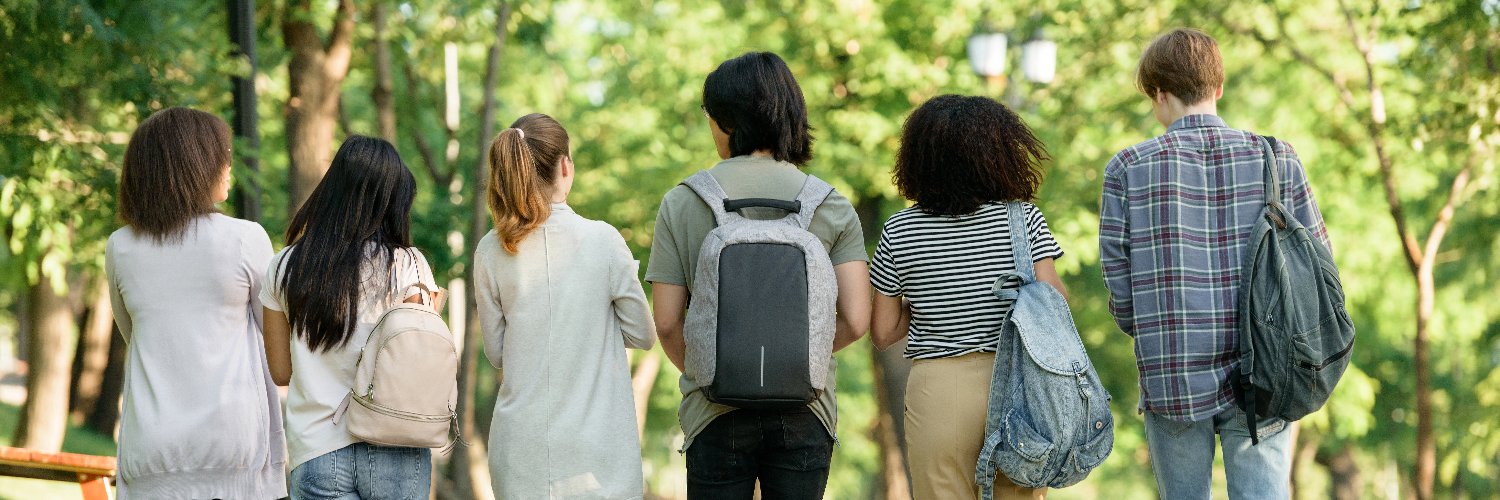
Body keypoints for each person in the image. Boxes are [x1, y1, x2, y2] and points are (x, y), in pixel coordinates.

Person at [1099, 28, 1331, 500]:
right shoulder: (1277, 158)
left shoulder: (1127, 168)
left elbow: (1119, 285)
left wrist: (1153, 331)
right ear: (1219, 87)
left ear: (1157, 93)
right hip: (1267, 367)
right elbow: (1320, 263)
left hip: (1173, 369)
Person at [646, 51, 870, 499]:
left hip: (714, 413)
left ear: (727, 121)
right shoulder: (831, 205)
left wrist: (718, 366)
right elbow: (857, 319)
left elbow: (667, 322)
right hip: (806, 411)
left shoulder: (682, 202)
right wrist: (796, 359)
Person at [868, 95, 1065, 500]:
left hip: (939, 391)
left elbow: (883, 332)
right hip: (1019, 387)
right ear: (1000, 153)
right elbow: (1054, 304)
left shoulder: (900, 230)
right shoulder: (1023, 220)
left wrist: (929, 300)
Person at [106, 107, 287, 499]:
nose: (229, 166)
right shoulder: (245, 238)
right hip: (232, 451)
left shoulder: (120, 247)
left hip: (151, 454)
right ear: (194, 165)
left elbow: (134, 335)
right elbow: (278, 339)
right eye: (222, 155)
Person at [474, 113, 657, 499]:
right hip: (596, 458)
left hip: (519, 454)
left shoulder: (490, 249)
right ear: (565, 166)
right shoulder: (603, 240)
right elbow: (642, 334)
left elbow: (497, 353)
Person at [261, 135, 439, 500]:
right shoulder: (407, 265)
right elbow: (421, 365)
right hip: (396, 444)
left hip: (317, 447)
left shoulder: (284, 266)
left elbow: (280, 371)